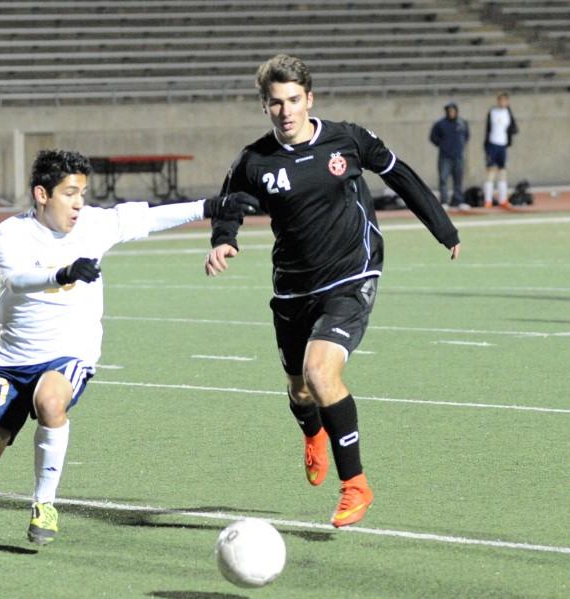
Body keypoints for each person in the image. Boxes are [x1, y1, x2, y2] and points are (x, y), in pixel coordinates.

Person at [0, 149, 256, 549]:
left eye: (82, 193)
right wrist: (63, 273)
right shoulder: (10, 233)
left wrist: (211, 206)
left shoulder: (93, 224)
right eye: (69, 193)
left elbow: (148, 217)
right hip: (11, 360)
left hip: (69, 351)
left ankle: (45, 503)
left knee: (51, 401)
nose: (78, 203)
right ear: (41, 194)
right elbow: (16, 279)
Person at [204, 54, 461, 528]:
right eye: (276, 102)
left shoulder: (347, 139)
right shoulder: (255, 160)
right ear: (265, 105)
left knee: (321, 374)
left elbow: (398, 174)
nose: (286, 111)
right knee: (300, 389)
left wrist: (442, 227)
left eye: (294, 100)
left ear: (310, 98)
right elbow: (229, 205)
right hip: (292, 289)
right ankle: (313, 432)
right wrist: (224, 240)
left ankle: (356, 485)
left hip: (352, 274)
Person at [429, 100, 470, 210]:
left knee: (459, 179)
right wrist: (443, 145)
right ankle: (444, 201)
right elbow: (433, 137)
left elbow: (466, 137)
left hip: (458, 156)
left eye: (453, 110)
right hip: (445, 156)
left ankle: (458, 200)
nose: (451, 112)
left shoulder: (462, 123)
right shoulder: (440, 124)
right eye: (449, 111)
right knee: (443, 178)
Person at [483, 92, 518, 208]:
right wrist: (486, 146)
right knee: (491, 172)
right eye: (501, 100)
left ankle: (503, 200)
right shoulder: (492, 112)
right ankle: (488, 200)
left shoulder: (508, 112)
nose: (503, 103)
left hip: (503, 146)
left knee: (503, 173)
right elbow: (488, 129)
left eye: (505, 101)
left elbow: (514, 128)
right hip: (492, 145)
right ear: (498, 101)